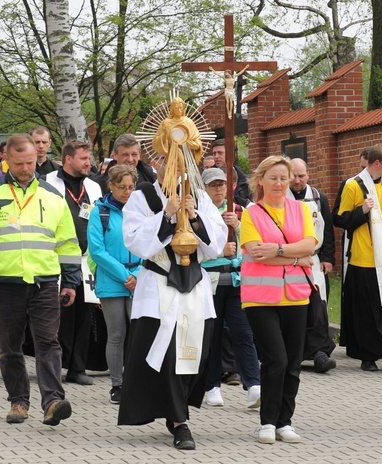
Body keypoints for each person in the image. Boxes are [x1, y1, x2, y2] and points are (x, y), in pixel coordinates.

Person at [0, 134, 81, 425]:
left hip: (44, 281)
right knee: (10, 347)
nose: (26, 168)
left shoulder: (52, 195)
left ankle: (53, 400)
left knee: (48, 343)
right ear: (7, 160)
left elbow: (67, 242)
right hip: (5, 282)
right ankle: (18, 401)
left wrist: (71, 281)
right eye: (19, 164)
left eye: (30, 162)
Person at [117, 147, 227, 450]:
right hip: (159, 285)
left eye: (184, 161)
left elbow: (216, 244)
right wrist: (166, 214)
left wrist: (194, 216)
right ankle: (180, 422)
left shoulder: (201, 197)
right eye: (170, 161)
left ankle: (176, 409)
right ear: (158, 162)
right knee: (166, 356)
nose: (177, 167)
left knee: (194, 353)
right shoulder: (143, 197)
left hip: (193, 284)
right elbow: (136, 241)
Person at [240, 155, 317, 444]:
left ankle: (285, 421)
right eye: (273, 178)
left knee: (294, 362)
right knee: (276, 359)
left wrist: (279, 250)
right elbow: (256, 252)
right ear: (261, 180)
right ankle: (268, 422)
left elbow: (311, 244)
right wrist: (297, 257)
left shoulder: (300, 209)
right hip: (260, 299)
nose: (280, 183)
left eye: (284, 178)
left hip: (296, 297)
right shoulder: (252, 213)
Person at [334, 143, 382, 373]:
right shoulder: (353, 185)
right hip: (364, 259)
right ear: (377, 163)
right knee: (368, 312)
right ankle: (368, 356)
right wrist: (361, 211)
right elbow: (339, 219)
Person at [200, 167, 261, 409]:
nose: (218, 189)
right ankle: (211, 385)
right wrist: (218, 251)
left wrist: (237, 227)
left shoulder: (240, 211)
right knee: (212, 335)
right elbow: (194, 248)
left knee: (243, 333)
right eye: (213, 185)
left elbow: (252, 244)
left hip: (236, 279)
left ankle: (254, 384)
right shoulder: (200, 213)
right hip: (210, 280)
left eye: (222, 184)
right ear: (204, 188)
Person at [44, 139, 103, 385]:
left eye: (88, 158)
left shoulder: (93, 187)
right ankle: (55, 365)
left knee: (84, 313)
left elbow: (98, 220)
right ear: (68, 159)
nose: (88, 162)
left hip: (86, 258)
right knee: (59, 315)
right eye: (83, 158)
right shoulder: (47, 183)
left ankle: (77, 367)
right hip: (56, 257)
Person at [87, 164, 141, 404]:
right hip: (112, 279)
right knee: (117, 333)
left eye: (131, 187)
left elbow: (148, 245)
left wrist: (138, 274)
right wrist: (124, 275)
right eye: (122, 187)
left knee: (139, 332)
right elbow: (97, 250)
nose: (127, 192)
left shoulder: (141, 211)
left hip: (138, 280)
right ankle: (117, 384)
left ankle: (137, 380)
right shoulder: (100, 212)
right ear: (111, 185)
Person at [287, 157, 337, 373]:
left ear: (308, 175)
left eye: (301, 176)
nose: (297, 181)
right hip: (287, 260)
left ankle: (319, 352)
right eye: (294, 176)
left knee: (318, 306)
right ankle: (294, 352)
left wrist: (328, 258)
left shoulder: (318, 198)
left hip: (314, 260)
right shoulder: (280, 198)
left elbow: (328, 230)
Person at [210, 139, 250, 206]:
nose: (216, 156)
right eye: (214, 153)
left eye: (220, 153)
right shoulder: (207, 178)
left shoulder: (245, 181)